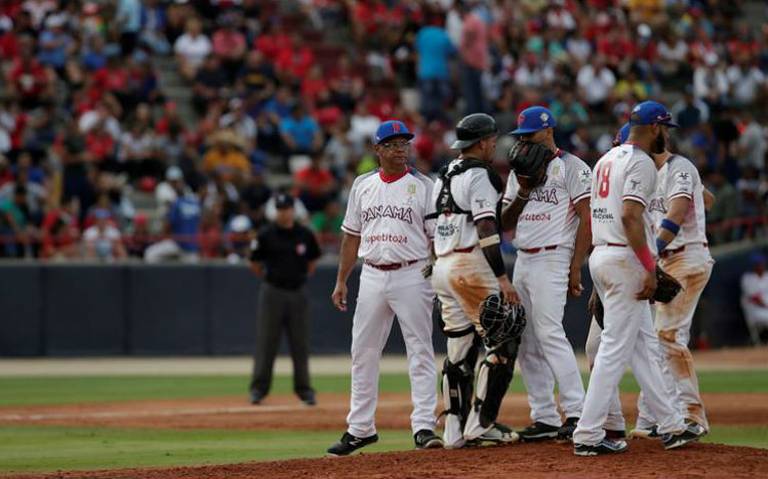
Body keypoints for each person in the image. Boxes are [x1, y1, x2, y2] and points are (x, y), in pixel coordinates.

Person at [573, 101, 705, 455]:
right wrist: (649, 267)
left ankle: (673, 425)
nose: (667, 134)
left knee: (645, 346)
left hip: (602, 254)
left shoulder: (605, 159)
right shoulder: (642, 162)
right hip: (624, 257)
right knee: (614, 349)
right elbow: (632, 217)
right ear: (654, 128)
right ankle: (586, 435)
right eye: (665, 128)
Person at [327, 120, 442, 456]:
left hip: (412, 272)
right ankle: (360, 428)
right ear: (377, 149)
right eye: (391, 144)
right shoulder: (363, 185)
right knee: (362, 352)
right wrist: (341, 280)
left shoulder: (424, 185)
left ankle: (423, 426)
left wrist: (435, 272)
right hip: (373, 273)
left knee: (419, 350)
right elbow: (351, 235)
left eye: (404, 143)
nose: (399, 148)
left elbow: (436, 236)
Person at [429, 113, 520, 449]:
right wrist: (501, 277)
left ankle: (453, 431)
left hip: (443, 265)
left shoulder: (443, 174)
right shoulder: (480, 174)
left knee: (459, 349)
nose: (495, 143)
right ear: (481, 142)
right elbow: (486, 228)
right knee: (504, 340)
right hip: (470, 264)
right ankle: (482, 423)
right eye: (492, 138)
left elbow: (431, 228)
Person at [500, 106, 591, 442]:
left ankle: (577, 411)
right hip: (524, 258)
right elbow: (504, 223)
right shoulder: (519, 172)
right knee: (526, 339)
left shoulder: (573, 167)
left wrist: (575, 266)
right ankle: (545, 416)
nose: (524, 142)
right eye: (520, 136)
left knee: (550, 333)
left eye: (530, 135)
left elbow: (587, 218)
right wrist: (524, 189)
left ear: (549, 131)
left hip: (555, 255)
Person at [632, 124, 715, 437]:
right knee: (659, 339)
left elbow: (678, 214)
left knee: (667, 337)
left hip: (685, 258)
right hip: (669, 260)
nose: (630, 146)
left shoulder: (678, 167)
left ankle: (692, 417)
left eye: (635, 138)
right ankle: (650, 418)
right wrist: (700, 192)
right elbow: (709, 200)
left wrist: (650, 256)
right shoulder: (651, 174)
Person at [249, 193, 321, 406]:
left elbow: (312, 261)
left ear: (293, 210)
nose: (284, 212)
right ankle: (258, 390)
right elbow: (254, 262)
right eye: (280, 209)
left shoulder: (305, 234)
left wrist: (300, 277)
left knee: (300, 343)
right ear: (276, 211)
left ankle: (304, 390)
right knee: (266, 342)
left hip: (298, 292)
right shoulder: (265, 234)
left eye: (287, 208)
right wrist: (268, 278)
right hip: (273, 291)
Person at [741, 253, 768, 344]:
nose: (761, 266)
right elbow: (755, 298)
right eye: (758, 264)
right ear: (754, 266)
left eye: (762, 263)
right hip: (756, 310)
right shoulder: (748, 279)